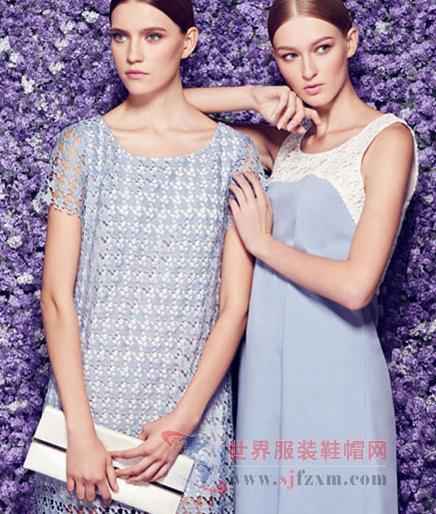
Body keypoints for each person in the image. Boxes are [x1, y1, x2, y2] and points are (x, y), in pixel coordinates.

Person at [32, 0, 267, 512]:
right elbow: (56, 298)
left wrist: (181, 425)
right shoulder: (82, 147)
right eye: (120, 36)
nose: (132, 54)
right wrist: (80, 430)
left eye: (153, 37)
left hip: (187, 420)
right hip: (86, 414)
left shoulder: (234, 155)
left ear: (188, 42)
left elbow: (234, 307)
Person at [185, 0, 419, 512]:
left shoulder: (387, 140)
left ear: (350, 42)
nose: (307, 70)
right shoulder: (284, 144)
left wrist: (262, 244)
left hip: (337, 368)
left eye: (322, 48)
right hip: (265, 371)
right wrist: (252, 96)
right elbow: (166, 110)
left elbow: (357, 286)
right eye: (289, 56)